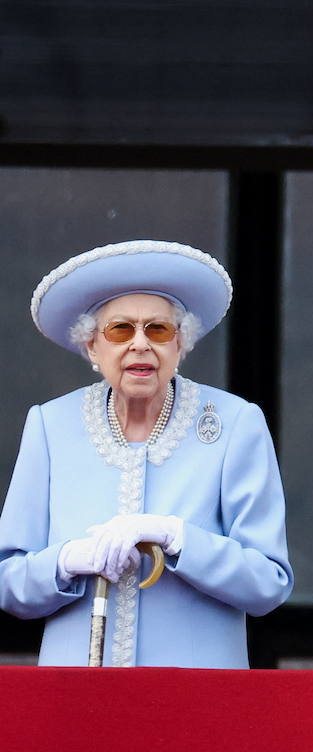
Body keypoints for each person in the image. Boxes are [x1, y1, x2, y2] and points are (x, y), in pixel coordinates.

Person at [0, 240, 293, 667]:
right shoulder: (50, 425)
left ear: (181, 346)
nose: (140, 344)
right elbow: (8, 581)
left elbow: (268, 582)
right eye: (120, 330)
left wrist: (178, 538)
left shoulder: (235, 423)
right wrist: (64, 561)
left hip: (194, 695)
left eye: (158, 330)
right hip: (76, 696)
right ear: (92, 349)